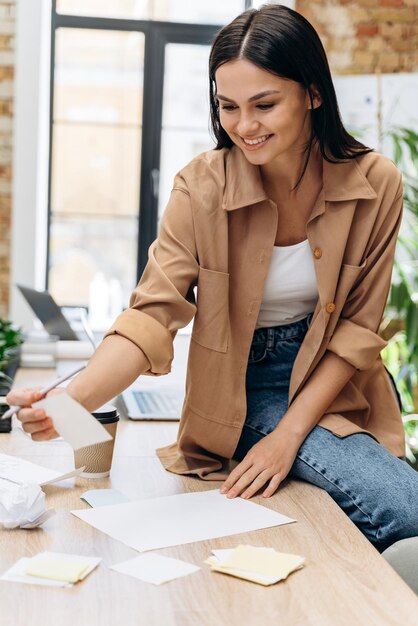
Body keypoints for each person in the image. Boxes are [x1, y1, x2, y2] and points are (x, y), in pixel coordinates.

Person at [7, 4, 418, 552]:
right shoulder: (201, 187)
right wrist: (72, 400)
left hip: (336, 386)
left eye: (264, 105)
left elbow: (357, 332)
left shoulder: (375, 182)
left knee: (400, 511)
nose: (244, 126)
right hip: (240, 388)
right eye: (228, 106)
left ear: (313, 93)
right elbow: (153, 314)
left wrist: (286, 440)